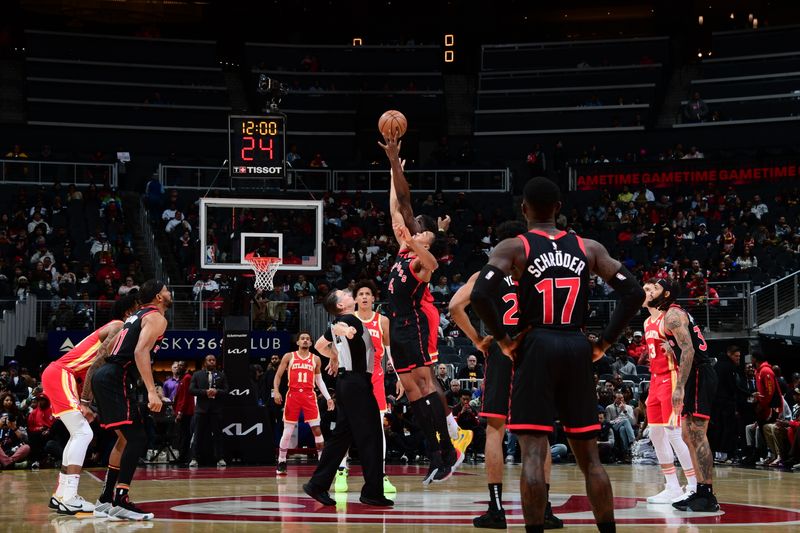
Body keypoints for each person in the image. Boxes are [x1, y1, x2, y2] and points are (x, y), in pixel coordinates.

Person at [470, 177, 645, 533]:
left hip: (537, 345)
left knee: (533, 451)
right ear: (559, 209)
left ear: (524, 209)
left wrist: (503, 339)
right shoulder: (589, 247)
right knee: (591, 459)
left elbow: (479, 294)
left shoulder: (513, 247)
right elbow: (635, 294)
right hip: (577, 345)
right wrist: (606, 342)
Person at [449, 219, 562, 529]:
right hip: (536, 348)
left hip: (502, 348)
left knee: (495, 431)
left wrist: (477, 340)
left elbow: (454, 307)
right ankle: (546, 509)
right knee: (539, 434)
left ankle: (496, 510)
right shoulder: (540, 271)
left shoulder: (486, 274)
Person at [379, 134, 465, 484]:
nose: (417, 230)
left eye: (424, 231)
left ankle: (449, 444)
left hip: (413, 323)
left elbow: (430, 261)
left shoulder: (422, 261)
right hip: (397, 325)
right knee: (412, 391)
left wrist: (417, 240)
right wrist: (393, 165)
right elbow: (400, 203)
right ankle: (436, 453)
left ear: (430, 237)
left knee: (425, 386)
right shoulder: (406, 248)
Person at [41, 292, 139, 514]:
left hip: (59, 374)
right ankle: (70, 497)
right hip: (62, 373)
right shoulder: (118, 326)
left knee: (79, 433)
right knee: (84, 433)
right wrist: (85, 401)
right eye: (138, 308)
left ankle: (62, 494)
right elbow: (96, 363)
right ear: (128, 312)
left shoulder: (117, 328)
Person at [303, 289, 392, 507]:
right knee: (371, 437)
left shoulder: (343, 320)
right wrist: (346, 331)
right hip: (356, 384)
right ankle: (372, 492)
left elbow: (318, 346)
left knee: (341, 437)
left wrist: (334, 355)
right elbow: (340, 328)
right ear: (341, 306)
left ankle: (317, 484)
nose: (349, 293)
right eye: (343, 293)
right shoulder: (348, 319)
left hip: (348, 384)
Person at [91, 279, 171, 521]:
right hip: (117, 375)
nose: (169, 293)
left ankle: (105, 499)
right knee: (138, 437)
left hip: (105, 375)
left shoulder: (135, 316)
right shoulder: (157, 317)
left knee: (124, 440)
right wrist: (151, 391)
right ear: (158, 296)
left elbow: (106, 349)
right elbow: (139, 352)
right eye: (166, 290)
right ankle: (121, 500)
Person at [651, 279, 719, 512]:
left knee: (697, 435)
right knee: (688, 435)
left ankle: (707, 494)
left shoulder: (672, 315)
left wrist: (679, 386)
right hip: (695, 373)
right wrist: (673, 347)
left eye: (655, 289)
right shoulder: (674, 315)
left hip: (699, 373)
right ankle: (699, 490)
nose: (650, 292)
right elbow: (684, 344)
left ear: (666, 294)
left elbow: (689, 349)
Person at [334, 280, 397, 494]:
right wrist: (334, 359)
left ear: (373, 298)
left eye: (367, 293)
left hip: (375, 379)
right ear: (356, 298)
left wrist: (399, 377)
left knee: (378, 428)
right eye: (360, 293)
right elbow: (336, 346)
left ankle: (380, 474)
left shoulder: (383, 321)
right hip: (352, 379)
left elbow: (391, 352)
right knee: (346, 427)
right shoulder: (346, 320)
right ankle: (342, 469)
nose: (363, 297)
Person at [641, 280, 697, 504]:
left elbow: (687, 349)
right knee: (655, 434)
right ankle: (672, 486)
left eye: (649, 289)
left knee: (673, 432)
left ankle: (693, 486)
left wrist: (671, 349)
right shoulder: (646, 322)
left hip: (671, 377)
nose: (645, 292)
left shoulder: (670, 317)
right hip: (655, 380)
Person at [273, 332, 334, 475]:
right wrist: (276, 391)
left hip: (309, 395)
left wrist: (328, 397)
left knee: (316, 429)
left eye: (308, 339)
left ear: (311, 343)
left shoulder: (316, 359)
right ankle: (281, 460)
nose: (305, 341)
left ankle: (321, 461)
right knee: (287, 432)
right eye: (302, 339)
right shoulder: (289, 356)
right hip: (293, 394)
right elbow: (278, 375)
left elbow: (319, 381)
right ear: (298, 342)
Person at [188, 355, 229, 468]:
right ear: (205, 362)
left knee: (218, 435)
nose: (212, 362)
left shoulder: (221, 375)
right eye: (209, 360)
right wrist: (205, 392)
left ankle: (220, 458)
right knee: (197, 435)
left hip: (216, 410)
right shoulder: (197, 374)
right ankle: (194, 458)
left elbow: (226, 390)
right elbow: (191, 390)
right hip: (201, 410)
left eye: (214, 360)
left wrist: (217, 391)